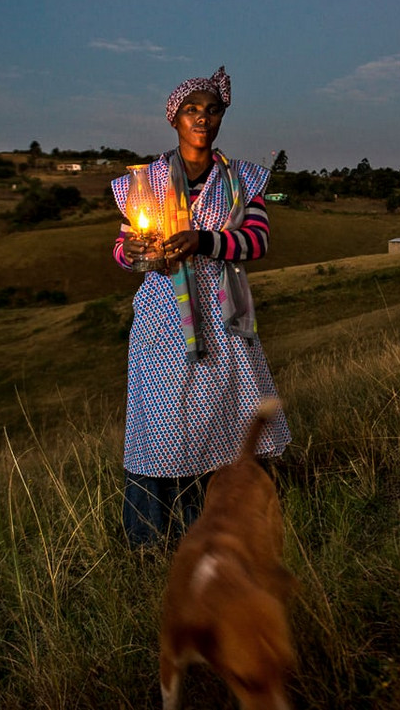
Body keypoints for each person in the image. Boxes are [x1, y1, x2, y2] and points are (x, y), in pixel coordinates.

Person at [110, 66, 290, 548]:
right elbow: (125, 247)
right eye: (191, 110)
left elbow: (257, 241)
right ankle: (151, 540)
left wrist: (204, 240)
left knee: (226, 423)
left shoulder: (243, 179)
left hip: (224, 317)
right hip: (161, 320)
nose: (202, 119)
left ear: (221, 117)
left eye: (212, 111)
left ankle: (226, 531)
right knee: (163, 429)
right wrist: (134, 254)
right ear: (173, 119)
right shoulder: (145, 181)